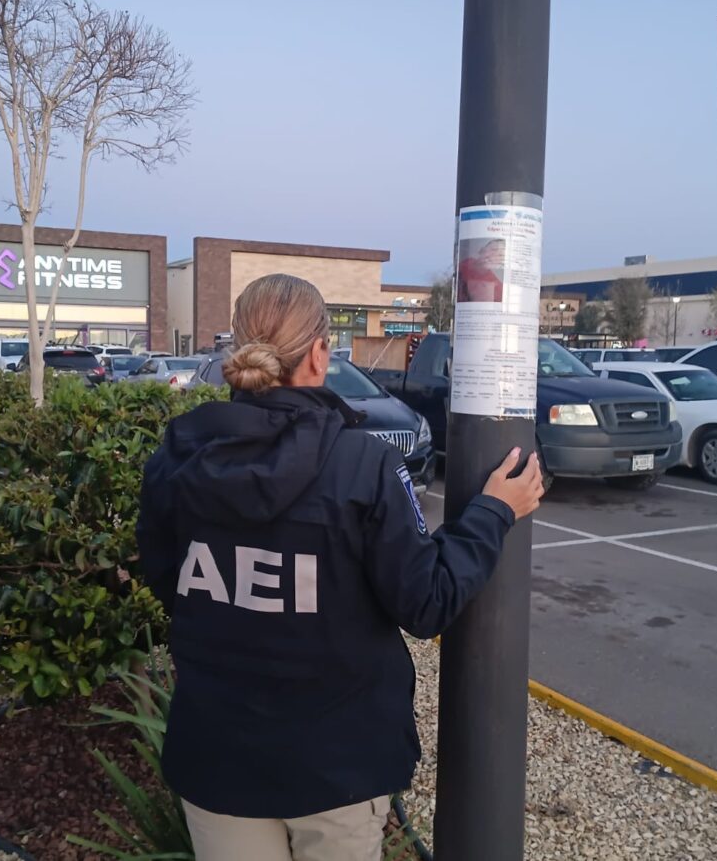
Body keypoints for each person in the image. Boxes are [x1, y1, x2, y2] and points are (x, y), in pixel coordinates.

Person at [137, 273, 543, 861]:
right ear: (320, 353)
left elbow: (166, 582)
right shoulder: (363, 466)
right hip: (337, 765)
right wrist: (493, 511)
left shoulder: (177, 458)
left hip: (218, 756)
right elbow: (426, 602)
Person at [457, 238, 505, 303]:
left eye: (500, 255)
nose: (494, 256)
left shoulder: (499, 287)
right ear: (482, 250)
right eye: (493, 249)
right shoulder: (466, 263)